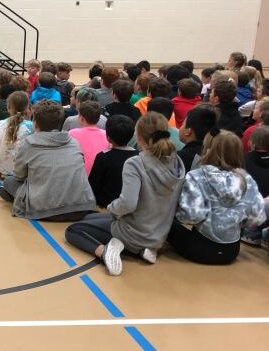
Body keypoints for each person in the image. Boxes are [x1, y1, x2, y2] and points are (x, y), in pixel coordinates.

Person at [65, 112, 185, 275]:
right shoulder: (177, 162)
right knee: (89, 218)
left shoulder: (136, 163)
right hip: (158, 234)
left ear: (139, 137)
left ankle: (105, 251)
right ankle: (142, 250)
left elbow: (128, 203)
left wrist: (112, 208)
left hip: (134, 232)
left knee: (74, 230)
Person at [170, 129, 267, 265]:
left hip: (199, 248)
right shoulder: (246, 179)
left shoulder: (197, 176)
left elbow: (190, 216)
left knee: (170, 224)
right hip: (231, 251)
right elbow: (257, 218)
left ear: (208, 149)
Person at [0, 100, 96, 220]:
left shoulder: (29, 143)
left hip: (44, 209)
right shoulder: (74, 142)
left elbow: (19, 175)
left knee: (9, 181)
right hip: (82, 207)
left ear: (36, 124)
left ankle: (19, 198)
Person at [88, 115, 139, 207]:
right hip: (133, 205)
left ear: (108, 137)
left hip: (106, 205)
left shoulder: (103, 156)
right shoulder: (139, 156)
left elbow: (93, 185)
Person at [0, 91, 33, 178]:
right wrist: (29, 119)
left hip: (1, 168)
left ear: (8, 108)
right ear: (27, 108)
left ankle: (6, 173)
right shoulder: (30, 126)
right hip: (21, 171)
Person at [69, 101, 110, 175]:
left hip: (80, 176)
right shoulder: (106, 135)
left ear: (81, 118)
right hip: (100, 177)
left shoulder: (72, 133)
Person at [177, 105, 218, 173]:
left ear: (188, 131)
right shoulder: (214, 154)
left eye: (182, 124)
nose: (180, 128)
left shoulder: (180, 158)